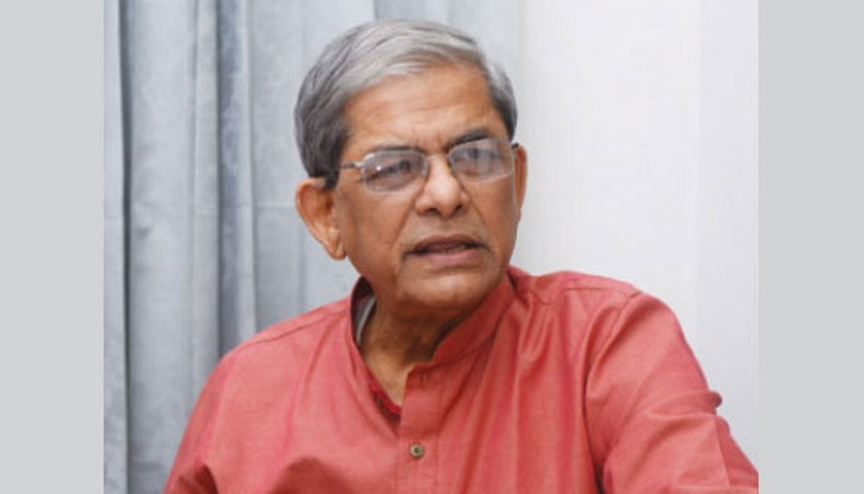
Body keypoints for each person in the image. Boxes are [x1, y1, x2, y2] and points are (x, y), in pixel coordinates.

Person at [164, 18, 757, 493]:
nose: (447, 195)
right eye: (394, 168)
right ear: (326, 215)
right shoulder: (252, 389)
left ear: (517, 182)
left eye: (474, 156)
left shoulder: (607, 342)